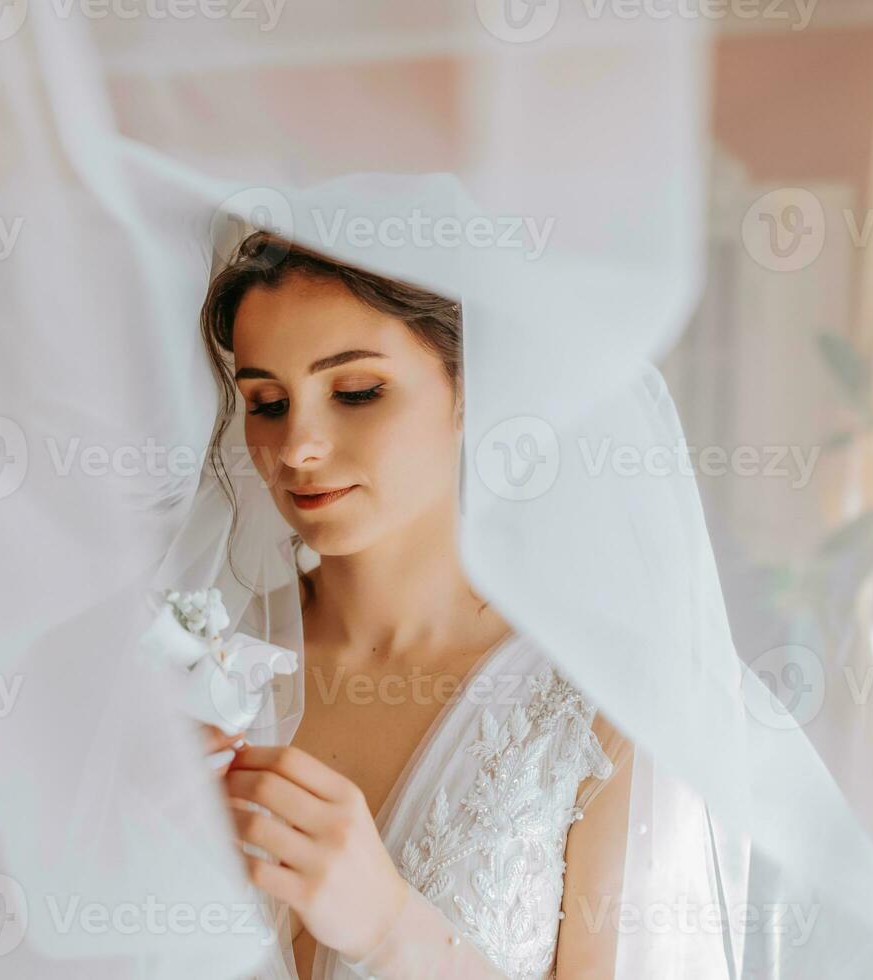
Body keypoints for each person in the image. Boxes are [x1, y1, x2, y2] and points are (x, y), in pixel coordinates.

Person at [195, 232, 635, 979]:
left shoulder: (600, 707)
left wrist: (390, 928)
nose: (296, 446)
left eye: (356, 392)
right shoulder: (202, 668)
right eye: (267, 402)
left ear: (473, 389)